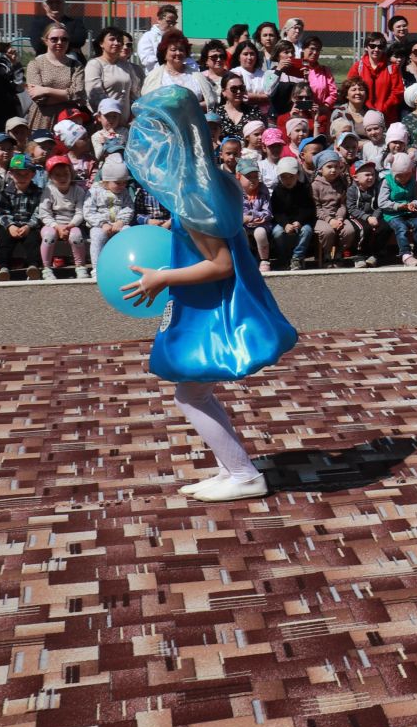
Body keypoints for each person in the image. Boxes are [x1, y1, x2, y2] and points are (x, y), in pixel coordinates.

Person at [120, 85, 298, 502]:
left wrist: (161, 278)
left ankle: (242, 474)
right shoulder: (211, 178)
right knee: (195, 388)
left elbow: (220, 264)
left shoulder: (192, 194)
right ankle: (230, 466)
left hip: (215, 307)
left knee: (189, 392)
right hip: (212, 302)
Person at [24, 24, 84, 131]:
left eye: (64, 39)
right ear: (45, 40)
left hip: (69, 120)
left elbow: (78, 94)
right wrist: (67, 97)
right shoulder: (35, 64)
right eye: (54, 39)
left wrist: (46, 90)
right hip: (42, 120)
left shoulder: (76, 65)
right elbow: (39, 99)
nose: (59, 42)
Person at [0, 152, 42, 279]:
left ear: (33, 174)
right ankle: (3, 267)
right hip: (11, 226)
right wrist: (10, 226)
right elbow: (2, 212)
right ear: (10, 174)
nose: (22, 176)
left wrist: (29, 226)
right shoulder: (5, 193)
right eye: (17, 173)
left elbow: (39, 212)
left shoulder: (38, 192)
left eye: (26, 173)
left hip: (29, 226)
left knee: (33, 240)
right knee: (3, 240)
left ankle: (33, 266)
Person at [83, 27, 144, 120]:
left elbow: (134, 93)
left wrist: (132, 115)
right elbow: (94, 95)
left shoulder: (126, 66)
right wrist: (112, 117)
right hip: (106, 122)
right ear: (101, 43)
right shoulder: (95, 64)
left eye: (119, 40)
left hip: (126, 123)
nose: (116, 43)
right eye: (112, 39)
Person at [346, 32, 406, 125]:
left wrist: (384, 107)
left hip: (387, 117)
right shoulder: (358, 67)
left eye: (380, 46)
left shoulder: (391, 68)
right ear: (366, 47)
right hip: (362, 116)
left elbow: (398, 92)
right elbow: (349, 89)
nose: (376, 49)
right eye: (372, 46)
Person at [27, 0, 88, 65]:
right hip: (45, 59)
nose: (54, 5)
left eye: (58, 2)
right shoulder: (37, 23)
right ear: (44, 6)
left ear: (63, 3)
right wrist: (69, 47)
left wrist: (51, 43)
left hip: (71, 58)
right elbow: (38, 45)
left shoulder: (75, 22)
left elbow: (79, 40)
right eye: (50, 3)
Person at [135, 4, 180, 72]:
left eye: (174, 23)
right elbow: (146, 60)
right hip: (156, 76)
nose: (171, 25)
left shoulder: (177, 38)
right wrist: (167, 58)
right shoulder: (148, 36)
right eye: (168, 22)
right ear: (159, 19)